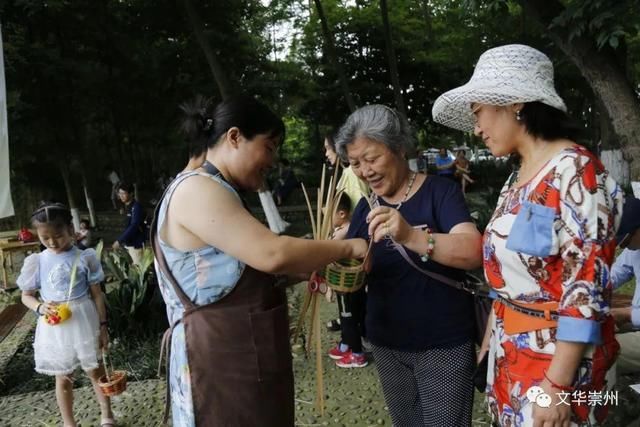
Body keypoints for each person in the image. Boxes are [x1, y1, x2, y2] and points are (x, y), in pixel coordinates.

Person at [433, 44, 622, 426]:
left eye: (478, 113)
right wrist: (491, 338)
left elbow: (585, 289)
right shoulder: (516, 178)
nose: (477, 128)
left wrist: (557, 386)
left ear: (515, 103)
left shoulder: (576, 171)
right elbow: (508, 274)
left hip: (558, 366)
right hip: (510, 352)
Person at [152, 96, 367, 426]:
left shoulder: (215, 188)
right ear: (234, 137)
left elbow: (240, 270)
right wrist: (349, 247)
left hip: (240, 356)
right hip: (219, 362)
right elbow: (272, 253)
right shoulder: (197, 188)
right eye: (270, 146)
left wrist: (306, 268)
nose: (273, 159)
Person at [336, 104, 483, 426]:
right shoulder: (365, 207)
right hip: (386, 341)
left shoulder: (439, 192)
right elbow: (364, 265)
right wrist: (335, 264)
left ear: (399, 147)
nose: (364, 170)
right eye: (355, 163)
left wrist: (412, 237)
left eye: (372, 158)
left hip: (442, 343)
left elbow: (474, 250)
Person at [17, 202, 113, 427]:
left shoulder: (85, 257)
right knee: (63, 377)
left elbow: (97, 295)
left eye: (58, 235)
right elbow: (26, 296)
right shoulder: (37, 261)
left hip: (84, 320)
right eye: (45, 238)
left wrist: (103, 325)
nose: (52, 242)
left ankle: (107, 414)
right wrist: (40, 307)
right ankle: (69, 423)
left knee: (95, 371)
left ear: (71, 229)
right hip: (55, 325)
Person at [326, 193, 368, 368]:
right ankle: (346, 344)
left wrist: (327, 287)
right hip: (348, 284)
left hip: (348, 284)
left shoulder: (344, 232)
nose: (326, 216)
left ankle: (357, 354)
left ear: (342, 214)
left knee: (349, 318)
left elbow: (329, 253)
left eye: (329, 213)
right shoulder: (343, 229)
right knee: (348, 317)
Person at [610, 197, 640, 374]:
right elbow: (616, 272)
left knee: (599, 350)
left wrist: (626, 314)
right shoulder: (635, 248)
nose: (625, 247)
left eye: (626, 241)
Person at [112, 182, 146, 264]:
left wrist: (119, 240)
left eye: (124, 193)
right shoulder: (126, 207)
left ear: (131, 194)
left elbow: (134, 225)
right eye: (120, 193)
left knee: (137, 273)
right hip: (128, 245)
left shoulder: (136, 207)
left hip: (136, 246)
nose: (121, 196)